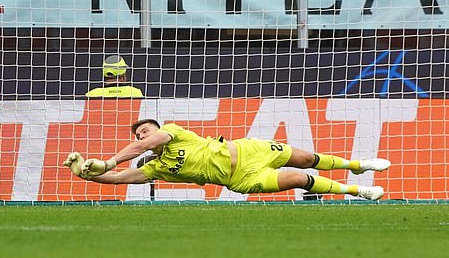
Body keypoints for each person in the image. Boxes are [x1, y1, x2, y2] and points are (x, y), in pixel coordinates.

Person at [64, 119, 390, 200]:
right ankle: (357, 191)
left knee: (306, 158)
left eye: (145, 131)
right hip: (240, 180)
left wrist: (107, 162)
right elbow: (119, 179)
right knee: (298, 180)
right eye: (138, 135)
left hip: (251, 151)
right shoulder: (156, 168)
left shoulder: (173, 132)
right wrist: (86, 174)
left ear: (157, 130)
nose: (142, 137)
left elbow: (124, 159)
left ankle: (357, 165)